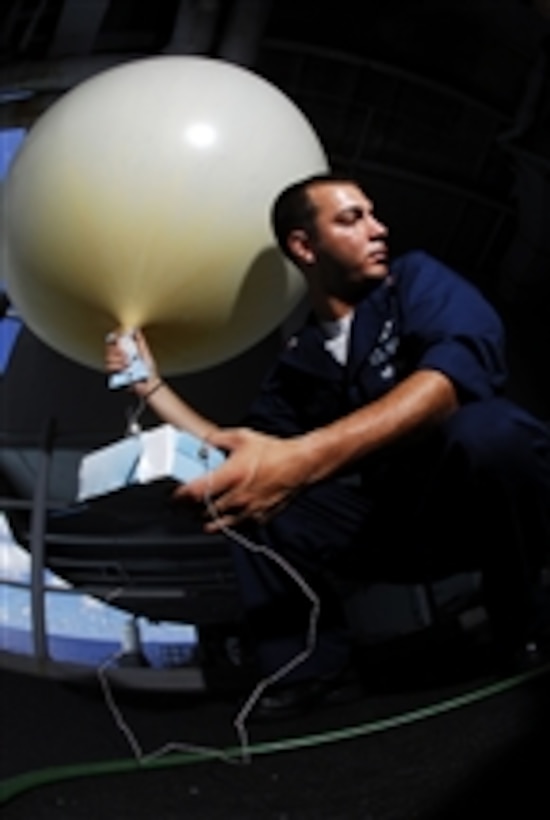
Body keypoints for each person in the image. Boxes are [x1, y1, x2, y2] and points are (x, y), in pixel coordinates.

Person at [106, 173, 550, 718]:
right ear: (304, 246)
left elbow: (450, 380)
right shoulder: (301, 359)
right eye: (352, 219)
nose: (379, 229)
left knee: (489, 432)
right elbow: (239, 449)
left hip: (480, 505)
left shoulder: (415, 280)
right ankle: (309, 669)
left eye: (373, 214)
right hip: (396, 529)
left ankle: (524, 623)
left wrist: (304, 458)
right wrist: (149, 386)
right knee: (248, 490)